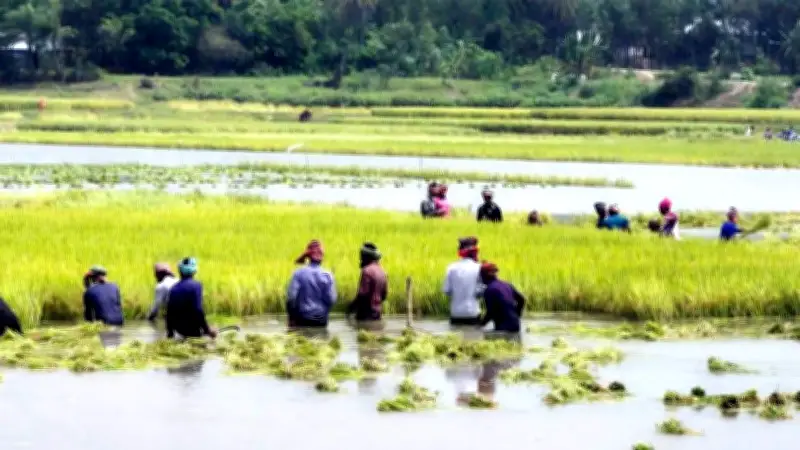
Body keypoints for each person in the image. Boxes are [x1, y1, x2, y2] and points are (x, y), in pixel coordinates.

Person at [287, 240, 337, 328]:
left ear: (308, 257)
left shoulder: (298, 273)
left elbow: (291, 298)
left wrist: (291, 318)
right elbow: (331, 299)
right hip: (322, 319)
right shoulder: (328, 275)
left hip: (303, 318)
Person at [165, 257, 216, 339]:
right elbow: (198, 310)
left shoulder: (174, 288)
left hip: (179, 329)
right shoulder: (196, 286)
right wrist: (207, 330)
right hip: (193, 329)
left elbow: (169, 312)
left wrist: (170, 332)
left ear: (180, 271)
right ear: (194, 271)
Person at [444, 237, 482, 326]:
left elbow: (447, 291)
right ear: (475, 252)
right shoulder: (479, 267)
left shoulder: (451, 267)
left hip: (456, 314)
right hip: (473, 313)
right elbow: (480, 292)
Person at [478, 262, 525, 333]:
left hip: (503, 328)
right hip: (516, 325)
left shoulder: (489, 290)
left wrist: (479, 326)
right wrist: (517, 314)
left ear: (484, 276)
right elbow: (522, 299)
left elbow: (490, 312)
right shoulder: (507, 284)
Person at [346, 242, 388, 322]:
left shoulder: (366, 271)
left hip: (365, 315)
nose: (360, 260)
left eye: (361, 257)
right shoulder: (383, 272)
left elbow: (363, 295)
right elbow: (384, 295)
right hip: (377, 314)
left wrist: (351, 307)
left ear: (366, 257)